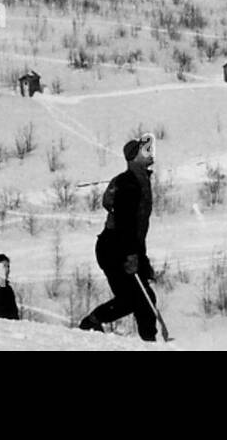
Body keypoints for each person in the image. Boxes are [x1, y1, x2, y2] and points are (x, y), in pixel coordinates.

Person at [79, 133, 159, 341]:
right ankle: (91, 322)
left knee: (145, 298)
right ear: (134, 157)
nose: (151, 153)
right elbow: (125, 223)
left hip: (124, 246)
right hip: (113, 248)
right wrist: (132, 256)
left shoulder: (140, 180)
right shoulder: (129, 183)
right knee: (132, 299)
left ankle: (149, 342)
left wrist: (142, 259)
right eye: (146, 151)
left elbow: (137, 229)